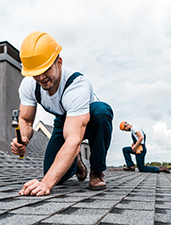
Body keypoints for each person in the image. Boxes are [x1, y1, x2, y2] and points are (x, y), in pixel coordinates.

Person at [11, 31, 113, 196]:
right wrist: (23, 139)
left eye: (45, 69)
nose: (41, 77)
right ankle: (76, 161)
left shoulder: (77, 86)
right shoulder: (29, 85)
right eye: (36, 73)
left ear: (59, 62)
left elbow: (74, 138)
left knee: (102, 112)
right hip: (64, 120)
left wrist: (46, 184)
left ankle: (97, 171)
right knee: (54, 171)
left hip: (89, 115)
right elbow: (25, 120)